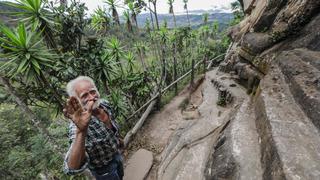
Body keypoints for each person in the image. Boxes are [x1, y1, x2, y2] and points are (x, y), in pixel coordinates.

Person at [63, 76, 124, 180]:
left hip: (117, 156)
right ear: (76, 100)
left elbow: (112, 127)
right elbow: (71, 168)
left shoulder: (104, 104)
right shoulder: (77, 127)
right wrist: (81, 131)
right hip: (104, 171)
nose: (92, 97)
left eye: (93, 91)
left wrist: (118, 139)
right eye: (84, 95)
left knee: (121, 175)